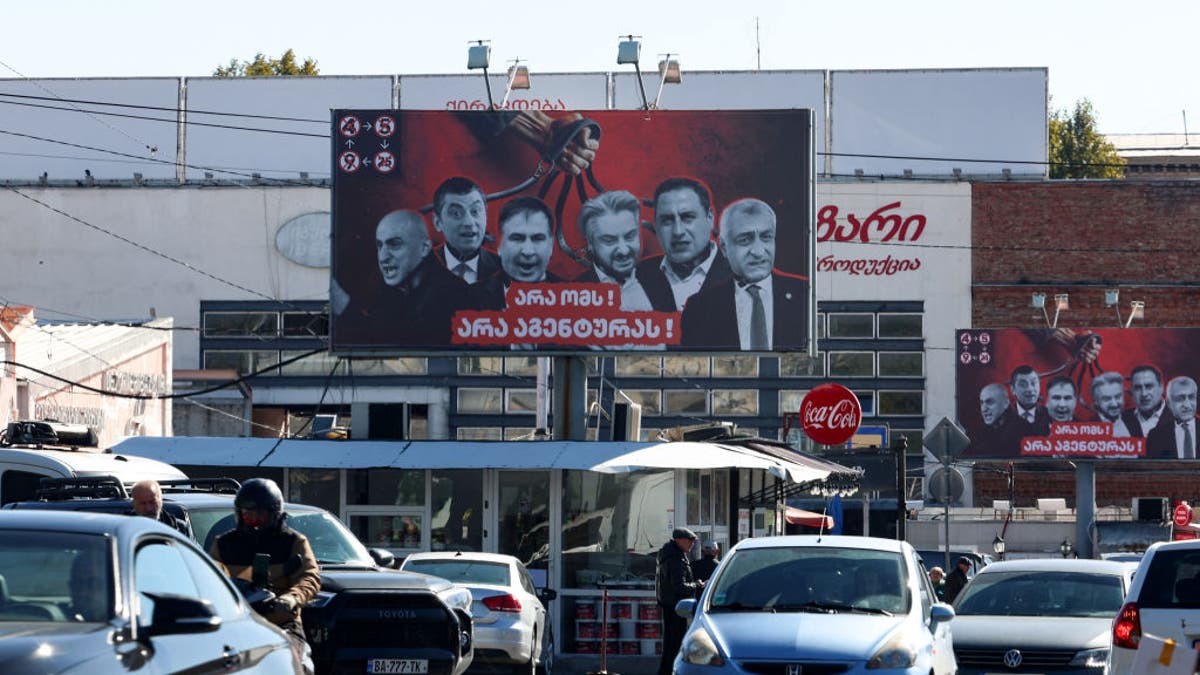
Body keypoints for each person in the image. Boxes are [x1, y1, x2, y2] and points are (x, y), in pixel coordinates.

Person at [209, 478, 320, 674]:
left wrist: (291, 598)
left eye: (259, 515)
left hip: (281, 621)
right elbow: (211, 580)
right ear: (239, 513)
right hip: (238, 622)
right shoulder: (224, 544)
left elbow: (309, 577)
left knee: (293, 662)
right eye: (247, 514)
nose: (252, 520)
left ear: (274, 514)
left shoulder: (294, 542)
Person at [680, 198, 808, 350]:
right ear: (723, 247)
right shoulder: (700, 310)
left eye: (766, 237)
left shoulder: (806, 295)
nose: (758, 252)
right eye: (745, 240)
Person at [338, 209, 469, 345]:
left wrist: (342, 303)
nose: (383, 257)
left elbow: (390, 338)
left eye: (394, 244)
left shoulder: (452, 296)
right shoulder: (395, 290)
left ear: (424, 248)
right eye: (380, 245)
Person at [636, 177, 733, 312]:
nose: (678, 231)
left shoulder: (741, 274)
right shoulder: (636, 276)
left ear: (710, 217)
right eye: (667, 220)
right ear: (656, 225)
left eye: (687, 217)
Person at [574, 190, 675, 312]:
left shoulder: (665, 275)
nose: (624, 250)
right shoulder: (574, 296)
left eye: (630, 236)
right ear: (590, 243)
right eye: (609, 240)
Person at [471, 196, 561, 310]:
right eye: (517, 238)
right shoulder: (469, 300)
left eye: (537, 238)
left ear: (551, 245)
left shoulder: (573, 300)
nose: (528, 251)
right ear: (499, 244)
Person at [430, 177, 500, 285]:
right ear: (437, 222)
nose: (469, 222)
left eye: (475, 211)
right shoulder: (419, 269)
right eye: (456, 213)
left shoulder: (505, 269)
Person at [656, 527, 704, 675]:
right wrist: (697, 585)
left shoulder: (671, 554)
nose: (692, 545)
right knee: (675, 644)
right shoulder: (675, 558)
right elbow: (680, 587)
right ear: (680, 540)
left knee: (671, 644)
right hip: (676, 608)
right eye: (690, 541)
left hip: (671, 606)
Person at [1148, 376, 1199, 459]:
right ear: (1168, 403)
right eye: (1180, 399)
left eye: (1191, 397)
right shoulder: (1156, 436)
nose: (1187, 405)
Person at [968, 383, 1021, 456]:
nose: (984, 409)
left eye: (989, 402)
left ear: (1005, 403)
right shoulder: (976, 434)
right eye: (982, 403)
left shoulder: (1023, 430)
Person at [1125, 365, 1171, 438]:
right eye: (1138, 388)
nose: (1144, 394)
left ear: (1162, 387)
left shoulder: (1179, 418)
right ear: (1132, 391)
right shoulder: (1121, 419)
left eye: (1149, 386)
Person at [1009, 365, 1051, 436]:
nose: (1030, 389)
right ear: (1013, 390)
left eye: (1033, 383)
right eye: (1023, 384)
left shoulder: (1050, 416)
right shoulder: (1005, 417)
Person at [1090, 371, 1132, 436]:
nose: (1114, 404)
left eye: (1118, 397)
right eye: (1107, 399)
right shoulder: (1088, 428)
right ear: (1096, 401)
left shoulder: (1133, 420)